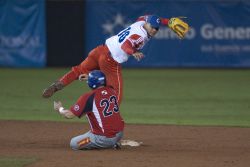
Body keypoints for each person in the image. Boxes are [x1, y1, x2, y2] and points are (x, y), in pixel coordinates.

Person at [42, 15, 189, 105]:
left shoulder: (141, 22)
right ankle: (109, 126)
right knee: (116, 95)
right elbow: (126, 45)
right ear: (148, 25)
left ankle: (58, 84)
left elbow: (148, 17)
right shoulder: (142, 35)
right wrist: (134, 52)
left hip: (100, 50)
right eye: (153, 27)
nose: (154, 30)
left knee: (78, 70)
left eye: (157, 28)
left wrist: (167, 21)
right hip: (110, 60)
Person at [53, 70, 124, 150]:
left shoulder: (89, 97)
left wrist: (59, 108)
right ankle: (113, 143)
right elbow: (105, 82)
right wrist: (91, 78)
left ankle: (108, 145)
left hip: (104, 139)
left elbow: (69, 115)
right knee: (92, 130)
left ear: (91, 83)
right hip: (119, 134)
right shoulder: (112, 90)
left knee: (74, 143)